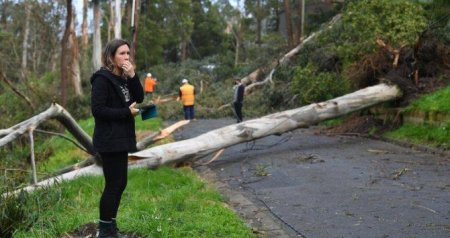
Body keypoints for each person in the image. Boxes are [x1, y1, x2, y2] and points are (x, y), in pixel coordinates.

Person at [90, 39, 144, 238]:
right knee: (113, 185)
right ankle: (105, 231)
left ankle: (110, 228)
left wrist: (132, 75)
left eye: (128, 53)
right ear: (111, 56)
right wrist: (125, 113)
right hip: (109, 139)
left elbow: (140, 97)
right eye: (122, 53)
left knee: (120, 184)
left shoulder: (124, 78)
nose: (126, 57)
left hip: (122, 138)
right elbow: (98, 110)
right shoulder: (102, 79)